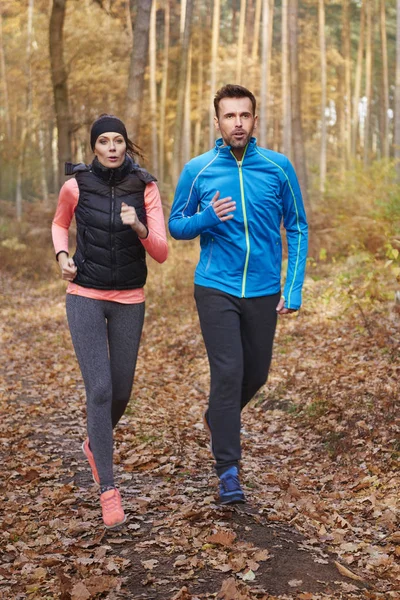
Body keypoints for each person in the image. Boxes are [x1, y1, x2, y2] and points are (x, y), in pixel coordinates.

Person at [169, 84, 308, 504]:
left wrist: (294, 284)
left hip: (264, 289)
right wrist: (207, 218)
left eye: (244, 115)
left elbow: (297, 226)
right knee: (228, 373)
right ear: (217, 121)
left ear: (255, 119)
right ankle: (228, 471)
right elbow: (177, 224)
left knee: (257, 373)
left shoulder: (277, 167)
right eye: (229, 116)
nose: (237, 123)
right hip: (216, 285)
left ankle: (217, 417)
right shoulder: (199, 169)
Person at [52, 114, 168, 528]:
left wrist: (137, 224)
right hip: (84, 294)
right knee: (99, 389)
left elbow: (161, 252)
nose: (113, 147)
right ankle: (109, 491)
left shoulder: (146, 186)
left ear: (126, 144)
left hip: (129, 299)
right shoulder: (76, 185)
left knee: (121, 392)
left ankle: (93, 442)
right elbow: (59, 223)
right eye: (105, 141)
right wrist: (63, 257)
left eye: (119, 139)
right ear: (94, 147)